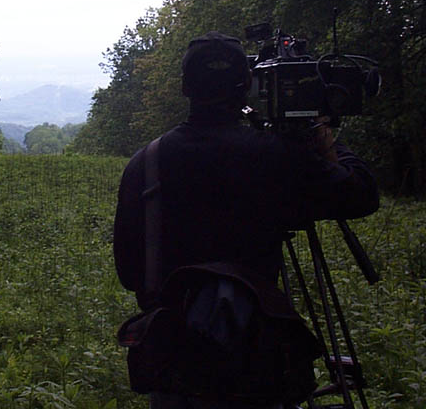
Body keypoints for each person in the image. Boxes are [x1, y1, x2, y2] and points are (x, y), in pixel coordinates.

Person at [113, 31, 379, 408]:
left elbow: (130, 273)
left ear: (185, 87)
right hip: (255, 359)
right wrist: (328, 142)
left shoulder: (147, 162)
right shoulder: (277, 157)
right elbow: (360, 195)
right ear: (248, 85)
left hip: (177, 365)